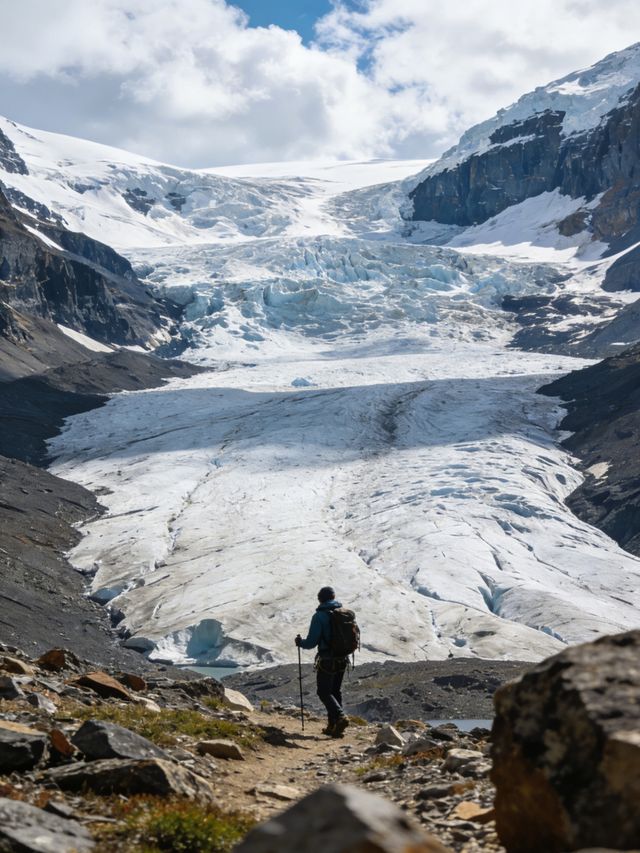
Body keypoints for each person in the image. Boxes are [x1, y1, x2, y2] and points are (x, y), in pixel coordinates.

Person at [295, 586, 349, 737]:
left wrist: (300, 643)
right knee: (335, 691)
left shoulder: (319, 616)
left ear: (320, 599)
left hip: (327, 659)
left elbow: (312, 642)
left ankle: (340, 717)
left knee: (323, 692)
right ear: (333, 597)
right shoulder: (344, 613)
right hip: (342, 659)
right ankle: (333, 726)